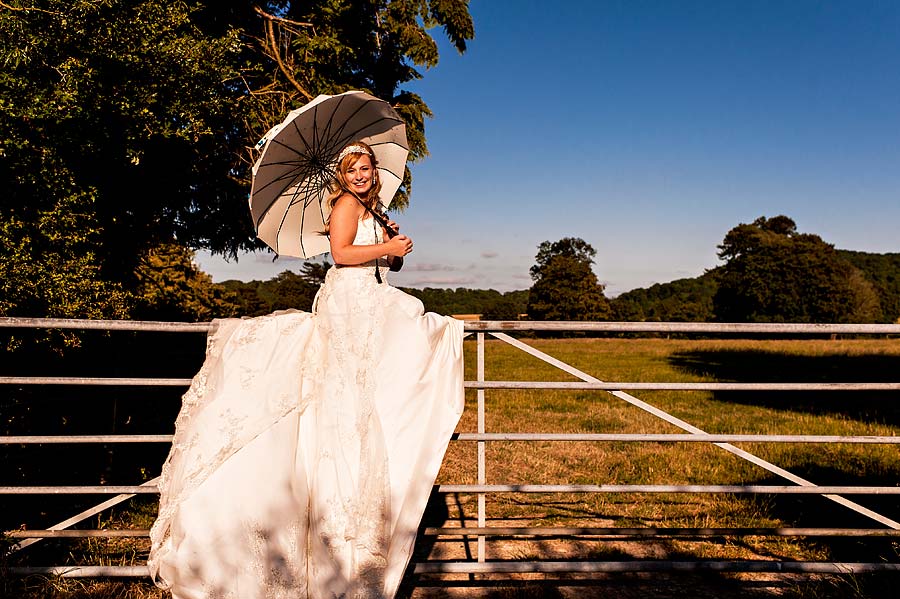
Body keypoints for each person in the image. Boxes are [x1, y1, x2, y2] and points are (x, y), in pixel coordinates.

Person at [148, 141, 465, 598]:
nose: (360, 175)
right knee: (367, 379)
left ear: (376, 172)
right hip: (350, 303)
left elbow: (384, 262)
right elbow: (340, 254)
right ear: (343, 175)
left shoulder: (370, 209)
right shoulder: (342, 205)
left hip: (370, 299)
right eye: (353, 169)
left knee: (374, 390)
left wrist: (394, 247)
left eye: (366, 168)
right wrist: (383, 247)